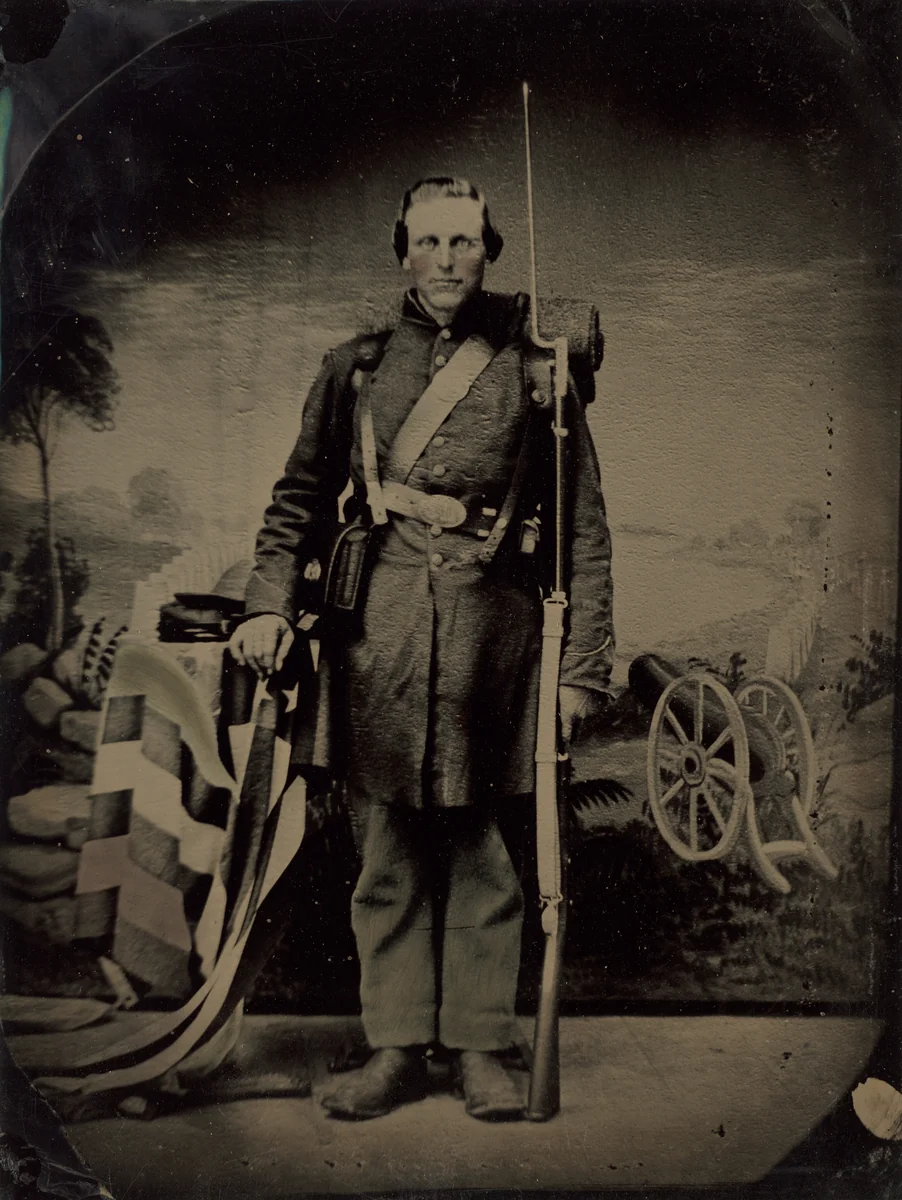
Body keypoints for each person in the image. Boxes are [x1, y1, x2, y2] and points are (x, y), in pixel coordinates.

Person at [229, 177, 614, 1120]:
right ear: (402, 249)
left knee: (483, 853)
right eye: (430, 242)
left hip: (497, 642)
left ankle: (482, 1048)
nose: (448, 261)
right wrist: (268, 607)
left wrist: (580, 670)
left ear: (490, 251)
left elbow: (584, 528)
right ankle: (397, 1047)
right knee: (388, 853)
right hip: (379, 642)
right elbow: (296, 505)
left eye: (466, 244)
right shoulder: (355, 365)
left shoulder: (535, 367)